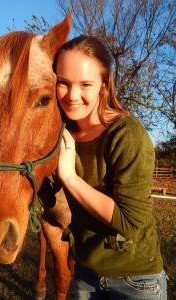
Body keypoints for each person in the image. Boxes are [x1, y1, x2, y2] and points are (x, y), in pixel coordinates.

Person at [51, 35, 167, 299]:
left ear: (103, 86)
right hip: (84, 273)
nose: (72, 96)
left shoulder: (126, 134)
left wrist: (69, 177)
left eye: (86, 84)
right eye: (63, 83)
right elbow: (45, 197)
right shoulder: (61, 134)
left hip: (136, 281)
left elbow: (129, 221)